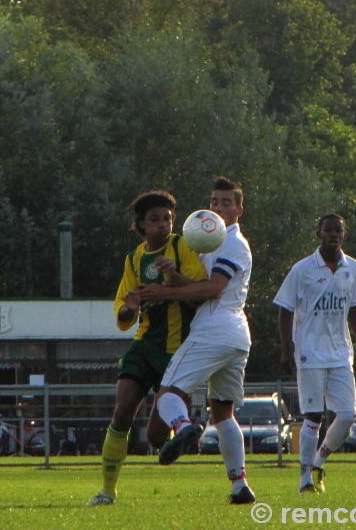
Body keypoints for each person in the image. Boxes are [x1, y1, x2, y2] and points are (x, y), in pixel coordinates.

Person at [136, 176, 256, 505]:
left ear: (239, 209)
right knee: (223, 412)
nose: (218, 207)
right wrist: (176, 278)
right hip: (236, 334)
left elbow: (213, 290)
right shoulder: (211, 242)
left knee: (168, 394)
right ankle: (239, 486)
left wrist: (164, 290)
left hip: (214, 329)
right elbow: (199, 291)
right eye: (214, 201)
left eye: (226, 202)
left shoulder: (232, 243)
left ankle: (184, 426)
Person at [86, 190, 207, 507]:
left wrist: (174, 277)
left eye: (167, 218)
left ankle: (182, 432)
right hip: (144, 345)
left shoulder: (183, 247)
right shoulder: (134, 260)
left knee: (155, 437)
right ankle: (107, 491)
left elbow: (200, 296)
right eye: (154, 220)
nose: (163, 225)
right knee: (123, 409)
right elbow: (124, 317)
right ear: (140, 224)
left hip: (176, 351)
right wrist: (131, 306)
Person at [274, 213, 356, 494]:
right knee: (313, 417)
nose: (333, 235)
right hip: (310, 353)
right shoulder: (302, 269)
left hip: (341, 353)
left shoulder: (353, 267)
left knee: (349, 415)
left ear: (345, 235)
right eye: (328, 230)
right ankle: (305, 481)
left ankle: (318, 462)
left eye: (338, 231)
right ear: (319, 233)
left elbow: (353, 307)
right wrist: (286, 347)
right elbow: (284, 309)